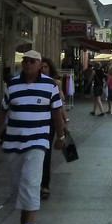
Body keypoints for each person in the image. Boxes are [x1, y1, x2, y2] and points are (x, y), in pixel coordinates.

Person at [0, 50, 66, 224]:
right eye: (25, 61)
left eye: (32, 61)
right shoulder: (12, 84)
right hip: (13, 141)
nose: (27, 64)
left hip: (38, 141)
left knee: (31, 182)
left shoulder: (50, 85)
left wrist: (61, 136)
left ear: (40, 65)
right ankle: (25, 214)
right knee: (17, 184)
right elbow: (3, 112)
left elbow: (57, 112)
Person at [40, 55, 68, 200]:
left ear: (50, 69)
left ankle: (45, 185)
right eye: (42, 67)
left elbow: (60, 104)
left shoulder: (55, 84)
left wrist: (64, 121)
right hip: (36, 122)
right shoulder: (35, 83)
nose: (43, 69)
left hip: (50, 121)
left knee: (46, 153)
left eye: (46, 67)